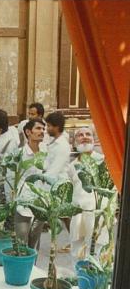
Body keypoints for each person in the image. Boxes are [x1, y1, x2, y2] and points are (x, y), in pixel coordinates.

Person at [68, 126, 109, 260]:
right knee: (77, 253)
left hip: (98, 214)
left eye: (88, 134)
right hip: (78, 214)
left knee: (98, 253)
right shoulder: (71, 165)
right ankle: (79, 280)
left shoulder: (103, 161)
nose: (84, 136)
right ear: (74, 142)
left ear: (93, 139)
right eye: (80, 135)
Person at [12, 118, 47, 250]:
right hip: (23, 203)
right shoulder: (19, 154)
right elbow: (11, 178)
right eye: (38, 128)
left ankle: (33, 269)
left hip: (41, 203)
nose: (42, 131)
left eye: (43, 129)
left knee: (34, 244)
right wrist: (13, 201)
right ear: (28, 132)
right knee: (22, 243)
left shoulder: (46, 153)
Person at [44, 111, 71, 182]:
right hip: (50, 181)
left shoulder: (62, 145)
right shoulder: (52, 141)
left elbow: (55, 168)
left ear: (57, 127)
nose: (47, 129)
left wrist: (42, 181)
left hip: (58, 183)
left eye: (49, 126)